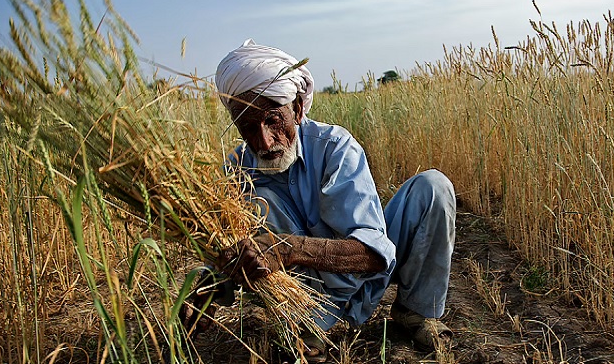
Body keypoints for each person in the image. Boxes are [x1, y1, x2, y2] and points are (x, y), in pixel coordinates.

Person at [187, 39, 456, 361]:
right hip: (306, 301)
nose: (264, 141)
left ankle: (416, 312)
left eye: (273, 120)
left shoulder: (334, 147)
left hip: (366, 275)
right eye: (247, 126)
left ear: (297, 108)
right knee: (261, 199)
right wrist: (205, 288)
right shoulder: (235, 169)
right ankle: (305, 326)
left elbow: (373, 254)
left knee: (433, 186)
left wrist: (284, 248)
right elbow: (228, 248)